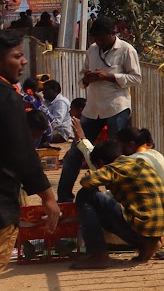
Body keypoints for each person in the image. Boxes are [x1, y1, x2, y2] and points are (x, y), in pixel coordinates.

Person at [58, 18, 142, 202]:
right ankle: (63, 197)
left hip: (116, 106)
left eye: (103, 39)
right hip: (93, 107)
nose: (100, 43)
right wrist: (88, 78)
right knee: (75, 152)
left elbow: (136, 78)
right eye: (97, 40)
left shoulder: (127, 50)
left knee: (115, 155)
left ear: (113, 34)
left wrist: (110, 76)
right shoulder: (92, 50)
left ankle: (117, 198)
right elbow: (82, 77)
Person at [1, 30, 61, 274]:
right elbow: (23, 153)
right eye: (17, 56)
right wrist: (48, 198)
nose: (24, 62)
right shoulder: (8, 99)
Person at [72, 135, 164, 269]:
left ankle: (98, 255)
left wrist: (96, 174)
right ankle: (148, 245)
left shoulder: (115, 167)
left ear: (101, 163)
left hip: (140, 228)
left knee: (86, 194)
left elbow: (87, 181)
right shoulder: (140, 163)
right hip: (158, 231)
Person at [116, 126, 164, 254]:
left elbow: (105, 172)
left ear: (130, 146)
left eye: (119, 146)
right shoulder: (154, 155)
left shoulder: (136, 160)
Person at [43, 77, 73, 143]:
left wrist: (42, 128)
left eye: (46, 89)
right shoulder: (47, 101)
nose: (43, 92)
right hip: (50, 129)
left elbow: (57, 122)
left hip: (60, 133)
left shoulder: (61, 102)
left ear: (55, 90)